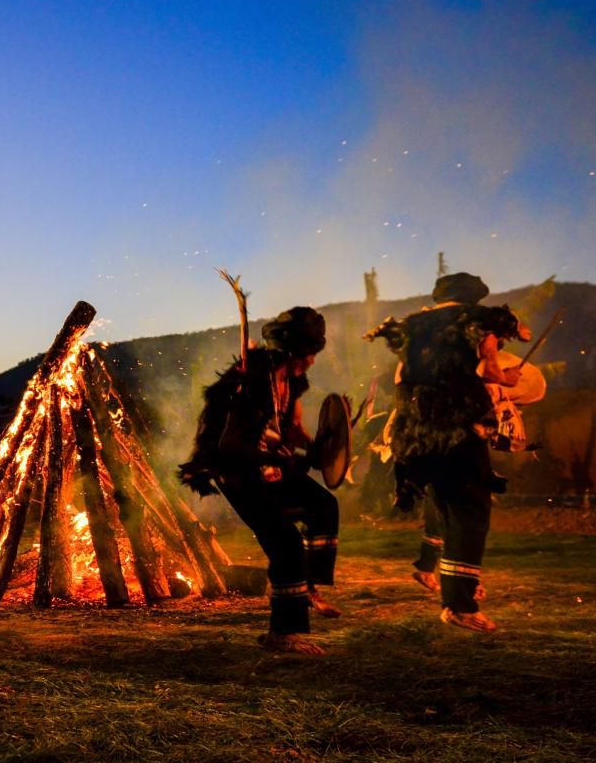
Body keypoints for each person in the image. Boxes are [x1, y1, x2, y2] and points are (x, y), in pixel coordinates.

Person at [366, 272, 529, 633]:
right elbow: (489, 368)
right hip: (456, 428)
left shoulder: (415, 327)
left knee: (445, 507)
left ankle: (459, 590)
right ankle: (459, 604)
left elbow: (400, 380)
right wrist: (507, 379)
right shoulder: (477, 321)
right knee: (469, 511)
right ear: (473, 301)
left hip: (417, 431)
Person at [181, 307, 340, 655]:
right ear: (291, 353)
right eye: (308, 354)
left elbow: (292, 429)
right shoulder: (253, 381)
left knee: (323, 505)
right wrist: (278, 457)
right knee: (284, 540)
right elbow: (230, 444)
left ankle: (308, 586)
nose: (312, 362)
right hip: (233, 468)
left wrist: (319, 450)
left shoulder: (291, 380)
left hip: (263, 460)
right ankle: (282, 634)